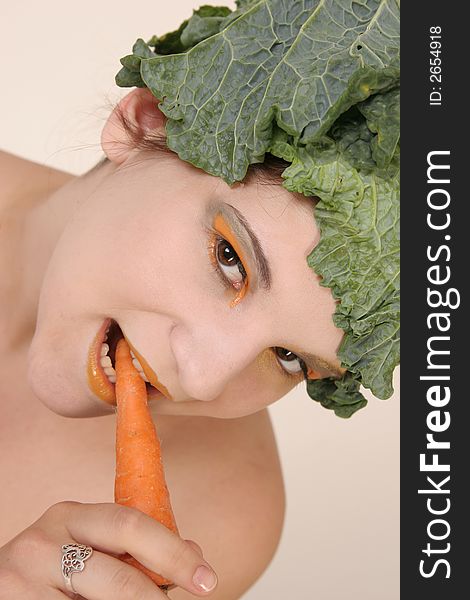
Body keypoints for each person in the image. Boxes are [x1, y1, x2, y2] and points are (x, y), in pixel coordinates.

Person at [0, 86, 348, 599]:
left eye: (290, 358)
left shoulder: (222, 512)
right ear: (150, 123)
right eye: (230, 258)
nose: (204, 380)